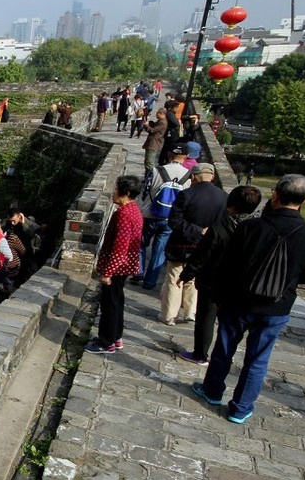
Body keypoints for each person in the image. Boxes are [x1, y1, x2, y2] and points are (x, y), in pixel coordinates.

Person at [193, 175, 305, 424]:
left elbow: (227, 266)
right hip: (277, 305)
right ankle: (241, 407)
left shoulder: (250, 227)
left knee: (224, 348)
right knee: (258, 359)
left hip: (238, 300)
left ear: (275, 194)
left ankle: (212, 390)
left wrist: (218, 296)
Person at [177, 186, 263, 366]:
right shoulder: (257, 228)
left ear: (230, 204)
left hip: (213, 280)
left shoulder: (219, 227)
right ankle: (225, 354)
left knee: (206, 318)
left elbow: (202, 254)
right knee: (229, 321)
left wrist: (187, 274)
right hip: (240, 282)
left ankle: (200, 354)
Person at [161, 163, 227, 325]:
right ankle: (190, 312)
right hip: (207, 247)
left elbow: (174, 221)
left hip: (182, 244)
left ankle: (170, 315)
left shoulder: (186, 194)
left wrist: (197, 230)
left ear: (193, 177)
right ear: (212, 176)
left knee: (174, 278)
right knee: (194, 279)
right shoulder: (223, 197)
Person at [85, 175, 144, 354]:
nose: (113, 192)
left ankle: (106, 342)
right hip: (125, 266)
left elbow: (120, 247)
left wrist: (108, 272)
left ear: (125, 192)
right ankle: (116, 337)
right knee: (117, 301)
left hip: (118, 267)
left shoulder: (125, 215)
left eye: (116, 188)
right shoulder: (133, 209)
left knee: (109, 304)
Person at [140, 145, 190, 290]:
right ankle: (150, 282)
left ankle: (138, 272)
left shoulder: (156, 170)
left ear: (168, 154)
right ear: (186, 157)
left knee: (141, 244)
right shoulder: (188, 175)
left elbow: (145, 191)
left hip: (150, 213)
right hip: (170, 218)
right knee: (159, 250)